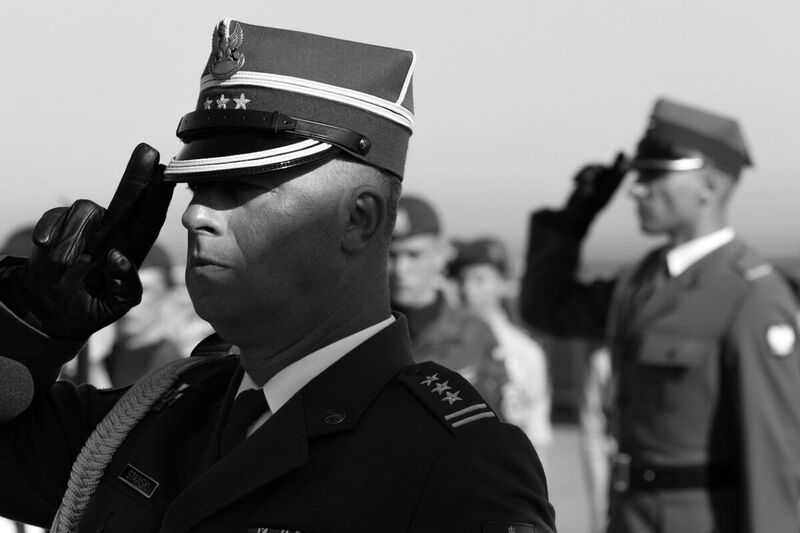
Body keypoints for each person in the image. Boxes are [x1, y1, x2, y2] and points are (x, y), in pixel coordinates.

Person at [0, 20, 555, 532]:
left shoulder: (451, 460)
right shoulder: (154, 416)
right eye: (198, 188)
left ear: (359, 218)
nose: (195, 215)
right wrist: (31, 322)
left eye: (240, 188)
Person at [519, 97, 800, 532]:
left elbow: (773, 461)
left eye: (654, 175)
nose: (635, 189)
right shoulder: (641, 281)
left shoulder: (753, 298)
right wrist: (573, 222)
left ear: (708, 186)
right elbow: (548, 308)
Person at [389, 194, 508, 413]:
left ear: (439, 256)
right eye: (391, 255)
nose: (400, 269)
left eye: (414, 255)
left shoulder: (473, 335)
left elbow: (496, 428)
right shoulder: (362, 333)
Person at [450, 237, 553, 468]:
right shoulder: (442, 343)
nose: (468, 289)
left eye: (479, 279)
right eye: (462, 279)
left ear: (502, 283)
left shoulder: (526, 352)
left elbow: (536, 431)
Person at [102, 242, 183, 387]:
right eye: (121, 288)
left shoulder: (170, 365)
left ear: (167, 296)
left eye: (145, 290)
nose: (131, 301)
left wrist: (92, 365)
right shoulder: (109, 354)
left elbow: (122, 410)